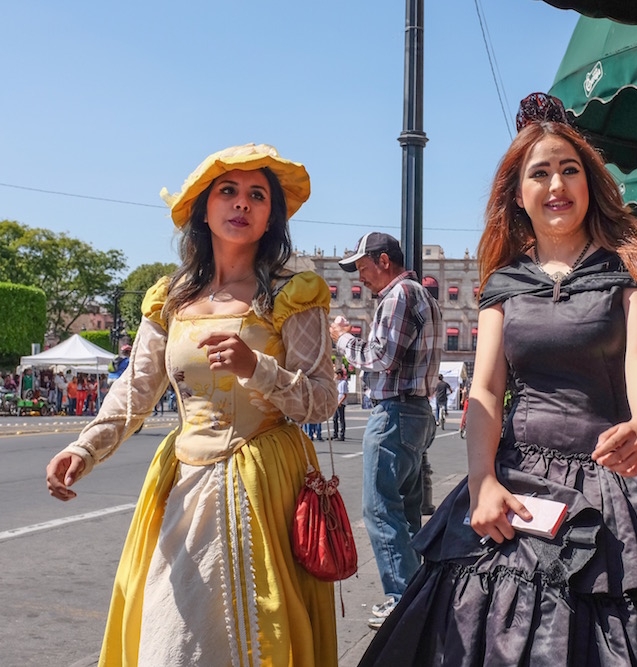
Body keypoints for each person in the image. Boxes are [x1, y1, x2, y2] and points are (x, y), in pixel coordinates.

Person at [358, 93, 637, 665]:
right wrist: (482, 480)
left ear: (590, 182)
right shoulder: (503, 283)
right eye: (539, 173)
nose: (556, 184)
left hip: (615, 468)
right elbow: (486, 388)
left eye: (569, 169)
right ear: (518, 194)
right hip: (517, 472)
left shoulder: (630, 267)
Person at [46, 143, 338, 666]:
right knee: (170, 630)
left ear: (272, 215)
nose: (242, 203)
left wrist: (257, 368)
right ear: (204, 209)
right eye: (228, 191)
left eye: (257, 195)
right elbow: (136, 388)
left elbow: (321, 400)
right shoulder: (172, 297)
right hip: (182, 481)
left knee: (252, 632)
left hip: (263, 482)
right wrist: (85, 448)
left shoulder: (292, 292)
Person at [330, 231, 441, 629]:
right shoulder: (420, 295)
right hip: (415, 412)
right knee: (405, 510)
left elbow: (382, 357)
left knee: (379, 508)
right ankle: (416, 597)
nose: (361, 277)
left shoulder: (399, 295)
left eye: (363, 268)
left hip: (395, 411)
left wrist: (344, 339)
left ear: (383, 261)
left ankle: (402, 599)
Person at [332, 368, 348, 440]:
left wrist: (340, 402)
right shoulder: (338, 383)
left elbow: (345, 394)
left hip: (341, 403)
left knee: (341, 419)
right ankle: (335, 434)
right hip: (337, 402)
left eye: (336, 375)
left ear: (339, 375)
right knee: (335, 418)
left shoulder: (343, 383)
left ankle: (342, 435)